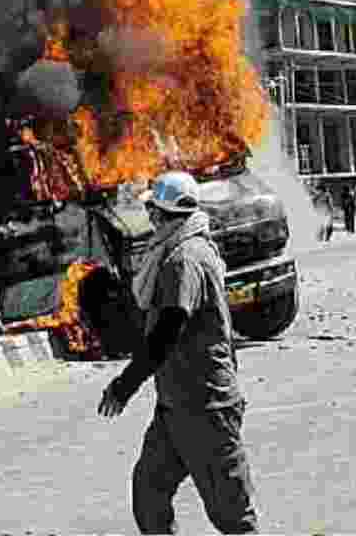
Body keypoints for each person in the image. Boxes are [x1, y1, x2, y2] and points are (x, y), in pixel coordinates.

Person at [98, 170, 257, 534]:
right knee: (149, 493)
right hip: (176, 406)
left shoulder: (184, 259)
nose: (150, 218)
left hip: (205, 407)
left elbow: (168, 332)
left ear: (164, 215)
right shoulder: (181, 250)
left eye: (154, 211)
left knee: (233, 517)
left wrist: (124, 386)